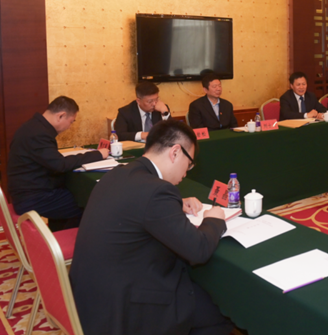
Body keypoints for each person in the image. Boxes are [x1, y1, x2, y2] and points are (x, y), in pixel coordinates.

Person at [70, 120, 233, 335]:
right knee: (222, 316)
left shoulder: (119, 172)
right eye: (189, 163)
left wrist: (175, 204)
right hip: (125, 308)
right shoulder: (157, 191)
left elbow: (136, 204)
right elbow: (198, 250)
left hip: (90, 298)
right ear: (175, 152)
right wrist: (214, 220)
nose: (186, 172)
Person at [7, 96, 109, 231]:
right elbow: (60, 165)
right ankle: (71, 241)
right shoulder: (39, 134)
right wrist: (97, 154)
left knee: (76, 197)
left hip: (30, 190)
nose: (70, 127)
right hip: (32, 197)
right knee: (89, 203)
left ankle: (59, 235)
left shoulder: (33, 126)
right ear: (61, 116)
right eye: (71, 122)